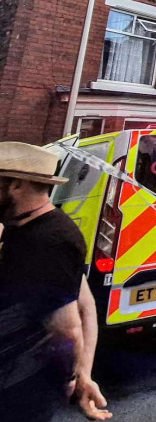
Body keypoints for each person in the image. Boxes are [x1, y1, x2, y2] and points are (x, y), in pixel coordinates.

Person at [0, 142, 112, 421]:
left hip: (19, 390)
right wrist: (84, 375)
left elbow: (69, 326)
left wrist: (73, 378)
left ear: (15, 185)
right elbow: (85, 303)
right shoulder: (19, 228)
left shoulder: (52, 239)